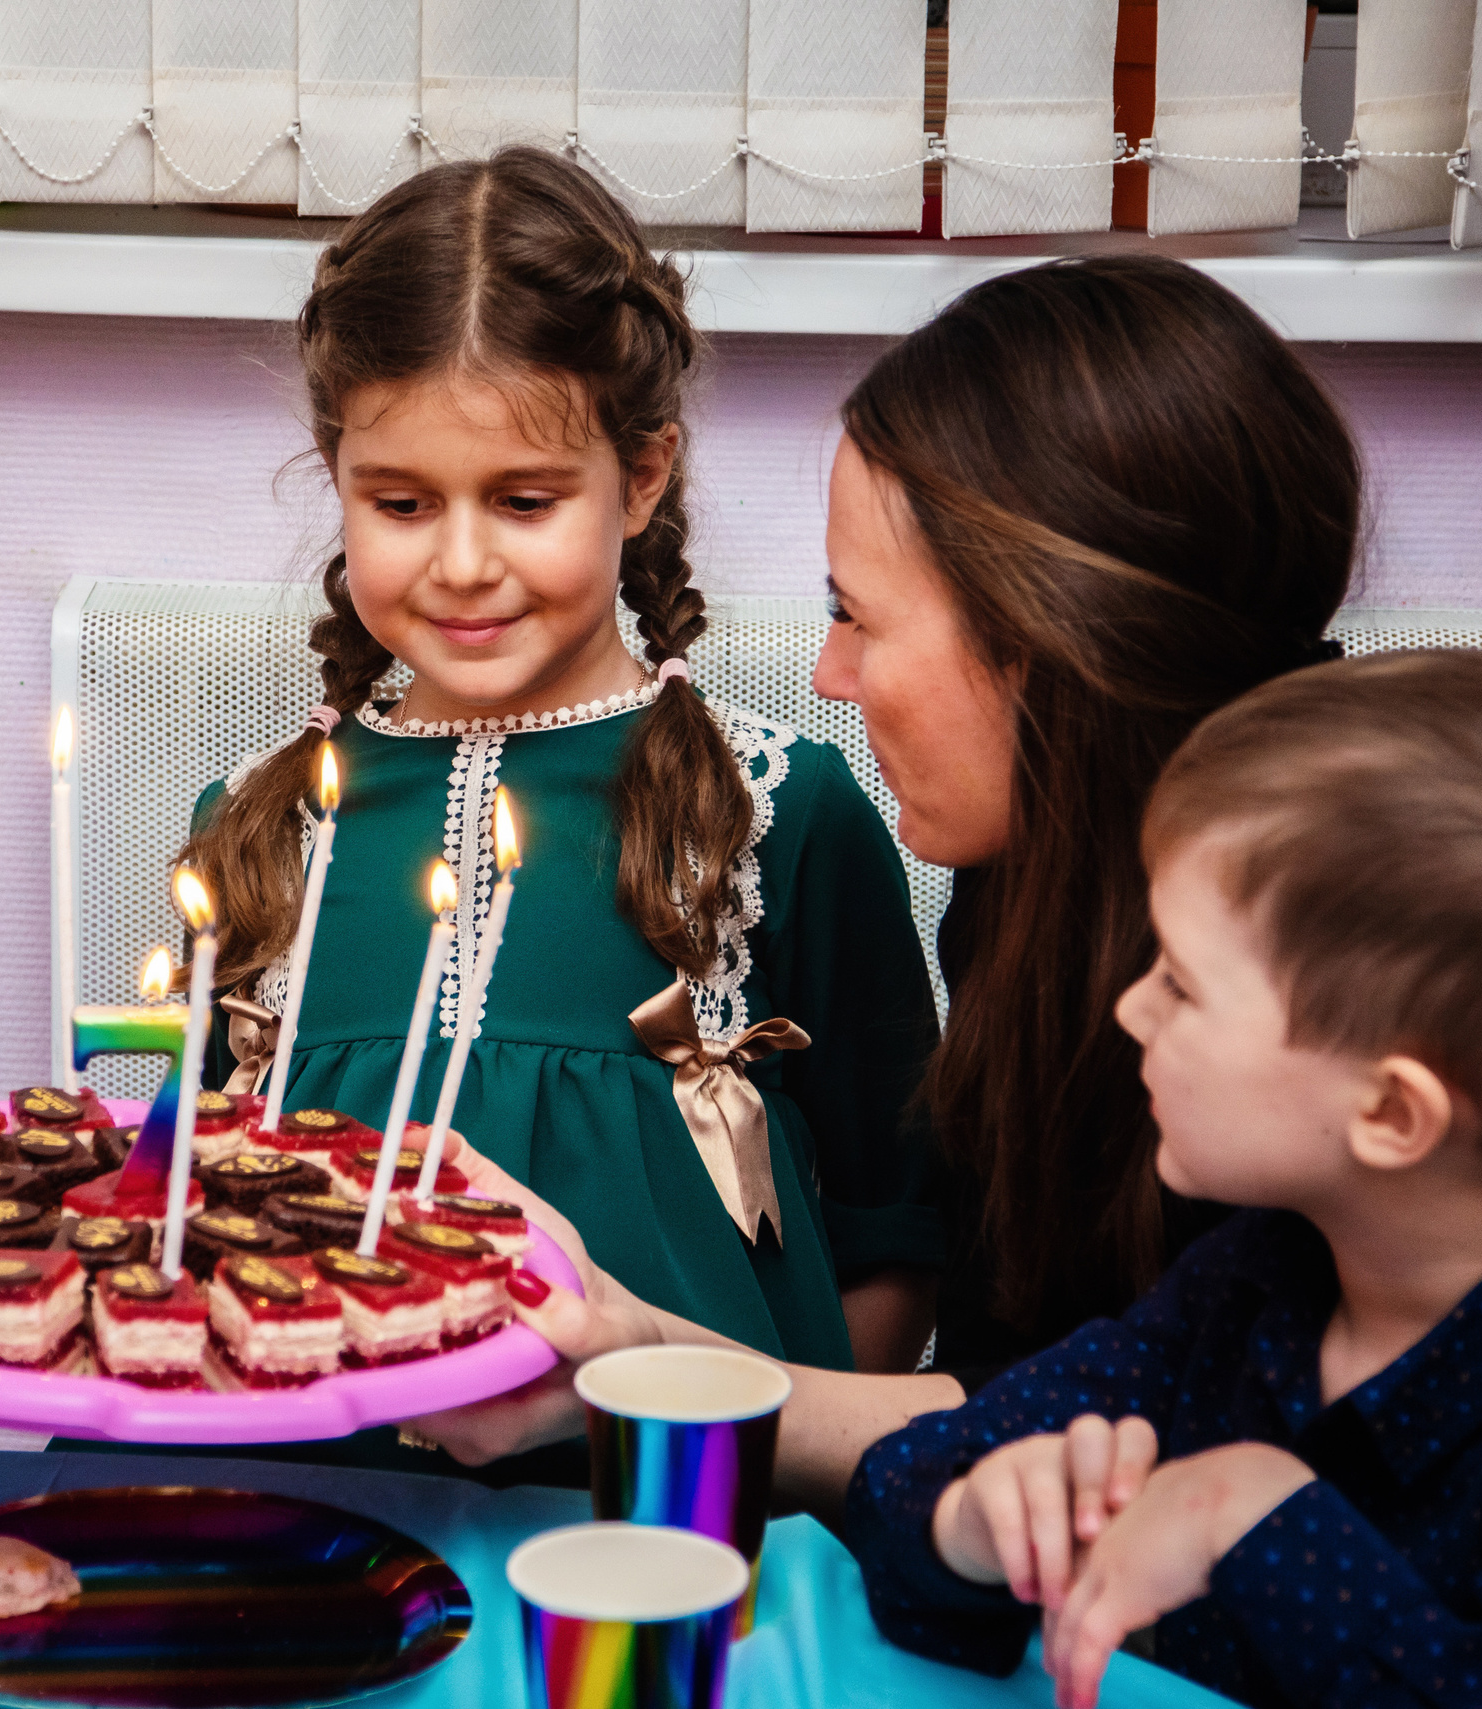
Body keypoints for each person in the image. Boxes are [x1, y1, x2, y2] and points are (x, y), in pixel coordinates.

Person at [414, 254, 1482, 1487]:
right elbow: (1039, 1414)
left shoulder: (1465, 925)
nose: (829, 676)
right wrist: (618, 1358)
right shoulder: (1033, 892)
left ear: (1048, 639)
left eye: (856, 615)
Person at [151, 147, 941, 1479]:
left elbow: (891, 1246)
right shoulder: (257, 821)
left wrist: (757, 1475)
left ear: (639, 481)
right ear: (336, 472)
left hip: (666, 1525)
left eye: (524, 501)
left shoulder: (781, 813)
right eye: (400, 503)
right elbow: (190, 1218)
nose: (462, 562)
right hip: (317, 1512)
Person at [844, 646, 1482, 1708]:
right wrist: (973, 1523)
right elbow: (907, 1487)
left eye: (1183, 984)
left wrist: (1260, 1527)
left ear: (1390, 1111)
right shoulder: (1253, 1282)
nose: (1130, 1010)